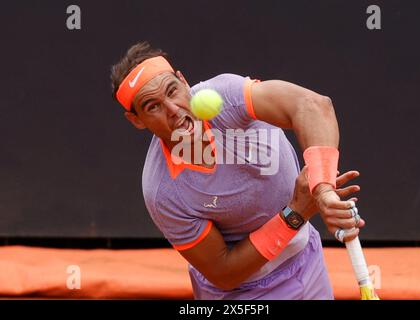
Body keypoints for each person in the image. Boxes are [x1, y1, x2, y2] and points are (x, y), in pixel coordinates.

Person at [110, 41, 364, 299]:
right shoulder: (163, 191)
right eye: (153, 106)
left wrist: (322, 190)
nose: (173, 110)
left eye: (172, 91)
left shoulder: (225, 97)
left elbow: (313, 105)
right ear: (137, 120)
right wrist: (296, 213)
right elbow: (224, 272)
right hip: (243, 294)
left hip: (307, 262)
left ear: (183, 81)